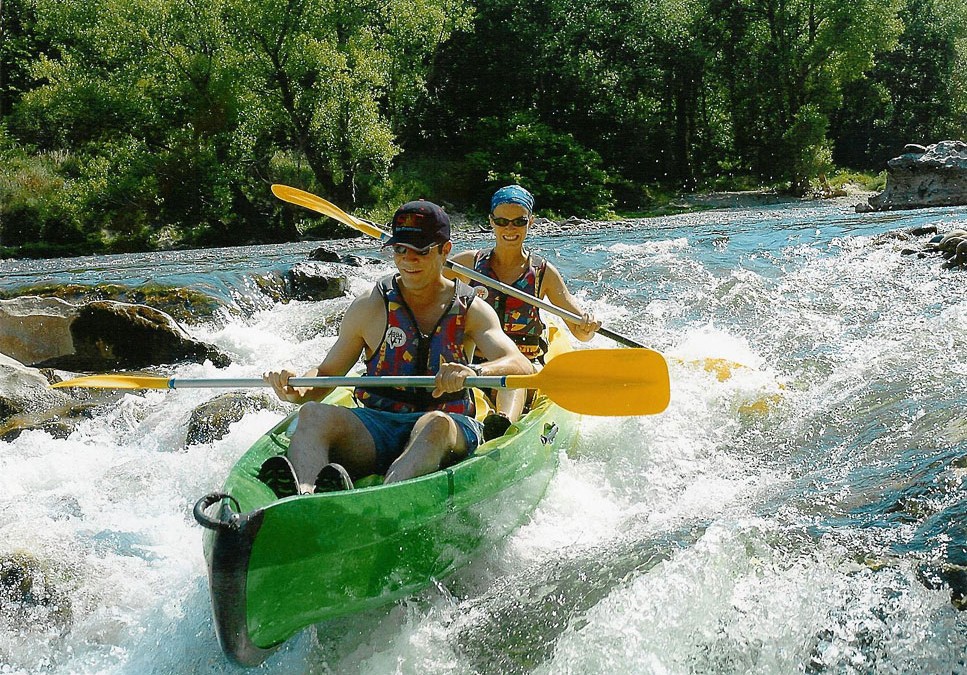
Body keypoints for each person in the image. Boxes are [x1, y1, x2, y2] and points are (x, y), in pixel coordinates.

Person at [258, 199, 532, 497]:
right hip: (378, 426)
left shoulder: (471, 309)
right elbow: (325, 375)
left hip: (447, 428)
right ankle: (304, 496)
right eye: (400, 250)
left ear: (445, 251)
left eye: (421, 251)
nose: (408, 260)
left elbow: (518, 363)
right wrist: (294, 390)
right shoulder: (369, 306)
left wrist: (475, 370)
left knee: (435, 424)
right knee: (312, 414)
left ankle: (384, 501)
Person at [448, 184, 600, 426]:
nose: (510, 228)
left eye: (518, 222)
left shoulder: (542, 273)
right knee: (471, 389)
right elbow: (422, 289)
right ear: (491, 222)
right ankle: (470, 421)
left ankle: (502, 426)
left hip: (523, 365)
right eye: (502, 221)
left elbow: (580, 332)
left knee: (514, 379)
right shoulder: (467, 264)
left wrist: (586, 323)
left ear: (531, 222)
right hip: (476, 365)